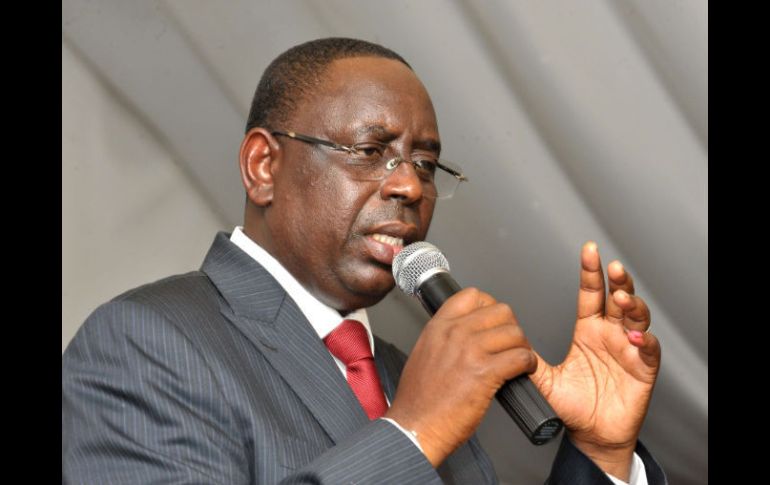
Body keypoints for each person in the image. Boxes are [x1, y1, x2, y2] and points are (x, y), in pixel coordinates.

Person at [62, 37, 665, 484]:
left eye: (425, 164)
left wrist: (602, 456)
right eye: (371, 150)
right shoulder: (144, 342)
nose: (409, 185)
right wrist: (414, 433)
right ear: (263, 167)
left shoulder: (410, 374)